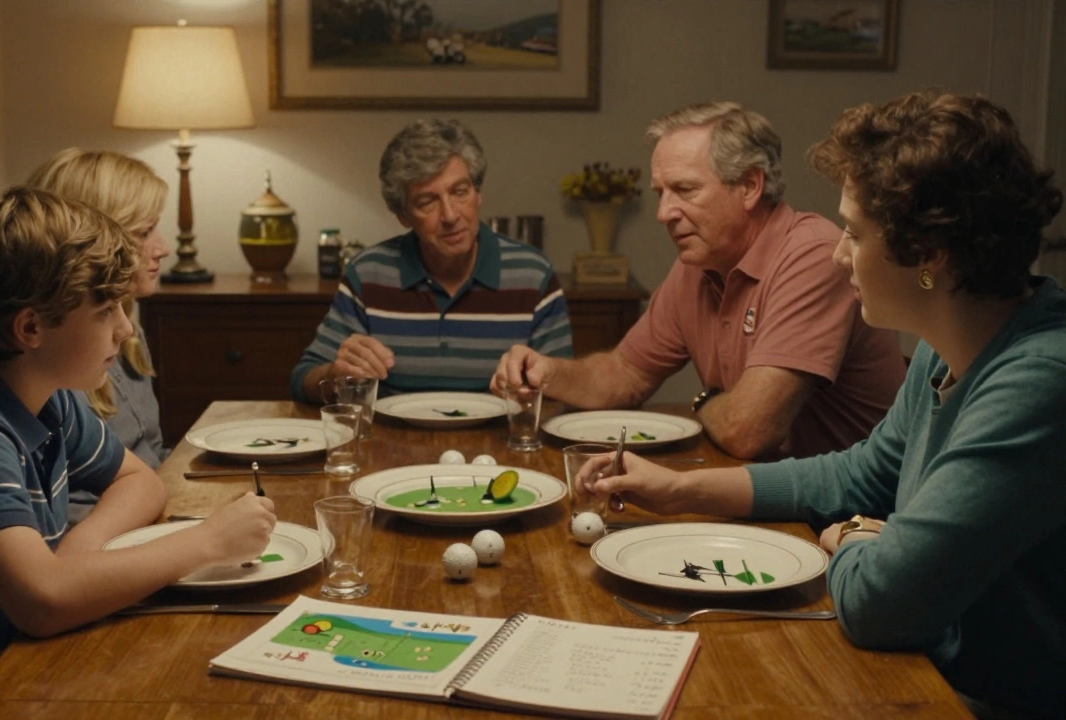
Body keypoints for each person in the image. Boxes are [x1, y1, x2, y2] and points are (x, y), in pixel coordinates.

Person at [575, 91, 1066, 719]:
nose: (839, 253)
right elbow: (854, 474)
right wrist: (677, 491)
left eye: (855, 234)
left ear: (930, 256)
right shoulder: (950, 352)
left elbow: (880, 604)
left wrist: (856, 535)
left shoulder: (1037, 381)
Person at [0, 187, 275, 714]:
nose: (124, 329)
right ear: (30, 328)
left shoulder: (47, 399)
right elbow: (42, 603)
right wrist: (208, 542)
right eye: (104, 311)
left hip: (28, 666)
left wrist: (77, 552)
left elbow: (137, 481)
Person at [492, 102, 905, 460]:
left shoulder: (813, 255)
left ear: (749, 185)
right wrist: (548, 374)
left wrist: (705, 401)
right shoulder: (698, 264)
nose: (663, 213)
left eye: (684, 190)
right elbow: (624, 375)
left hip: (850, 515)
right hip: (766, 489)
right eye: (660, 193)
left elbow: (747, 431)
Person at [290, 119, 573, 403]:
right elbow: (302, 381)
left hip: (499, 443)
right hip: (392, 443)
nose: (450, 216)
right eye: (427, 202)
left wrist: (539, 386)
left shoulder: (533, 275)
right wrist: (336, 375)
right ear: (403, 215)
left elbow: (563, 392)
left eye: (460, 192)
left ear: (478, 194)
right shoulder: (368, 274)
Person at [27, 149, 171, 521]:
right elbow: (61, 537)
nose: (163, 248)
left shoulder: (127, 329)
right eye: (143, 232)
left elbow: (153, 460)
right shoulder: (56, 365)